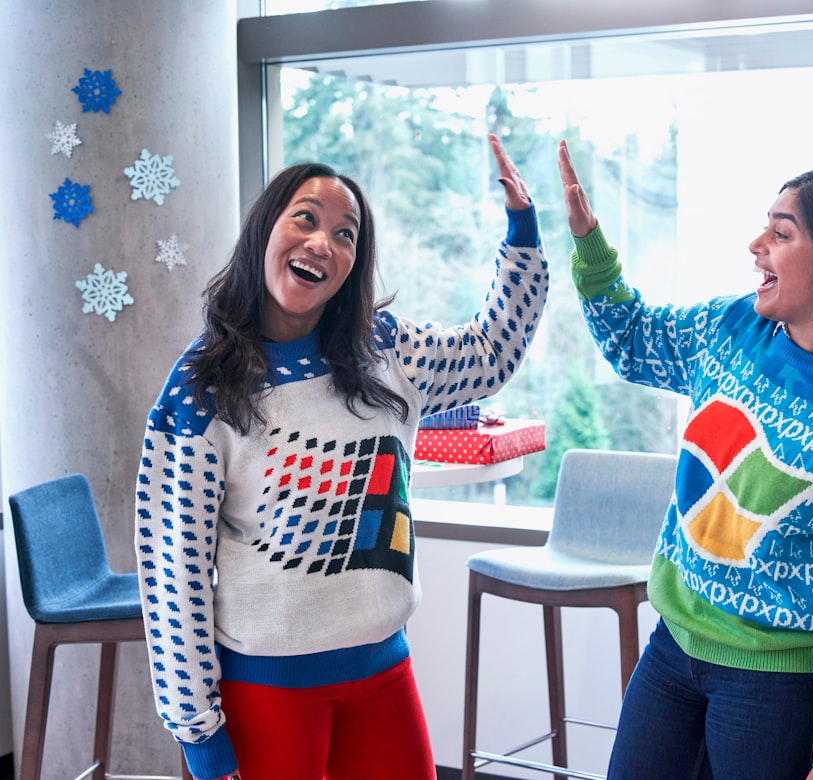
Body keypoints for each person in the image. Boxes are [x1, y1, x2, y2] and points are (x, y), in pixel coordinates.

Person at [135, 134, 547, 780]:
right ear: (264, 230)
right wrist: (199, 733)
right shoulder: (200, 388)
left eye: (346, 233)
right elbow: (172, 572)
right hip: (266, 688)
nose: (323, 243)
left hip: (383, 672)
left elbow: (491, 352)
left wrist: (522, 230)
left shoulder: (386, 349)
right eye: (306, 218)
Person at [558, 140, 813, 780]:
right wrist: (589, 242)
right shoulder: (730, 328)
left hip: (775, 684)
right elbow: (632, 341)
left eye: (781, 233)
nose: (755, 245)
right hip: (672, 647)